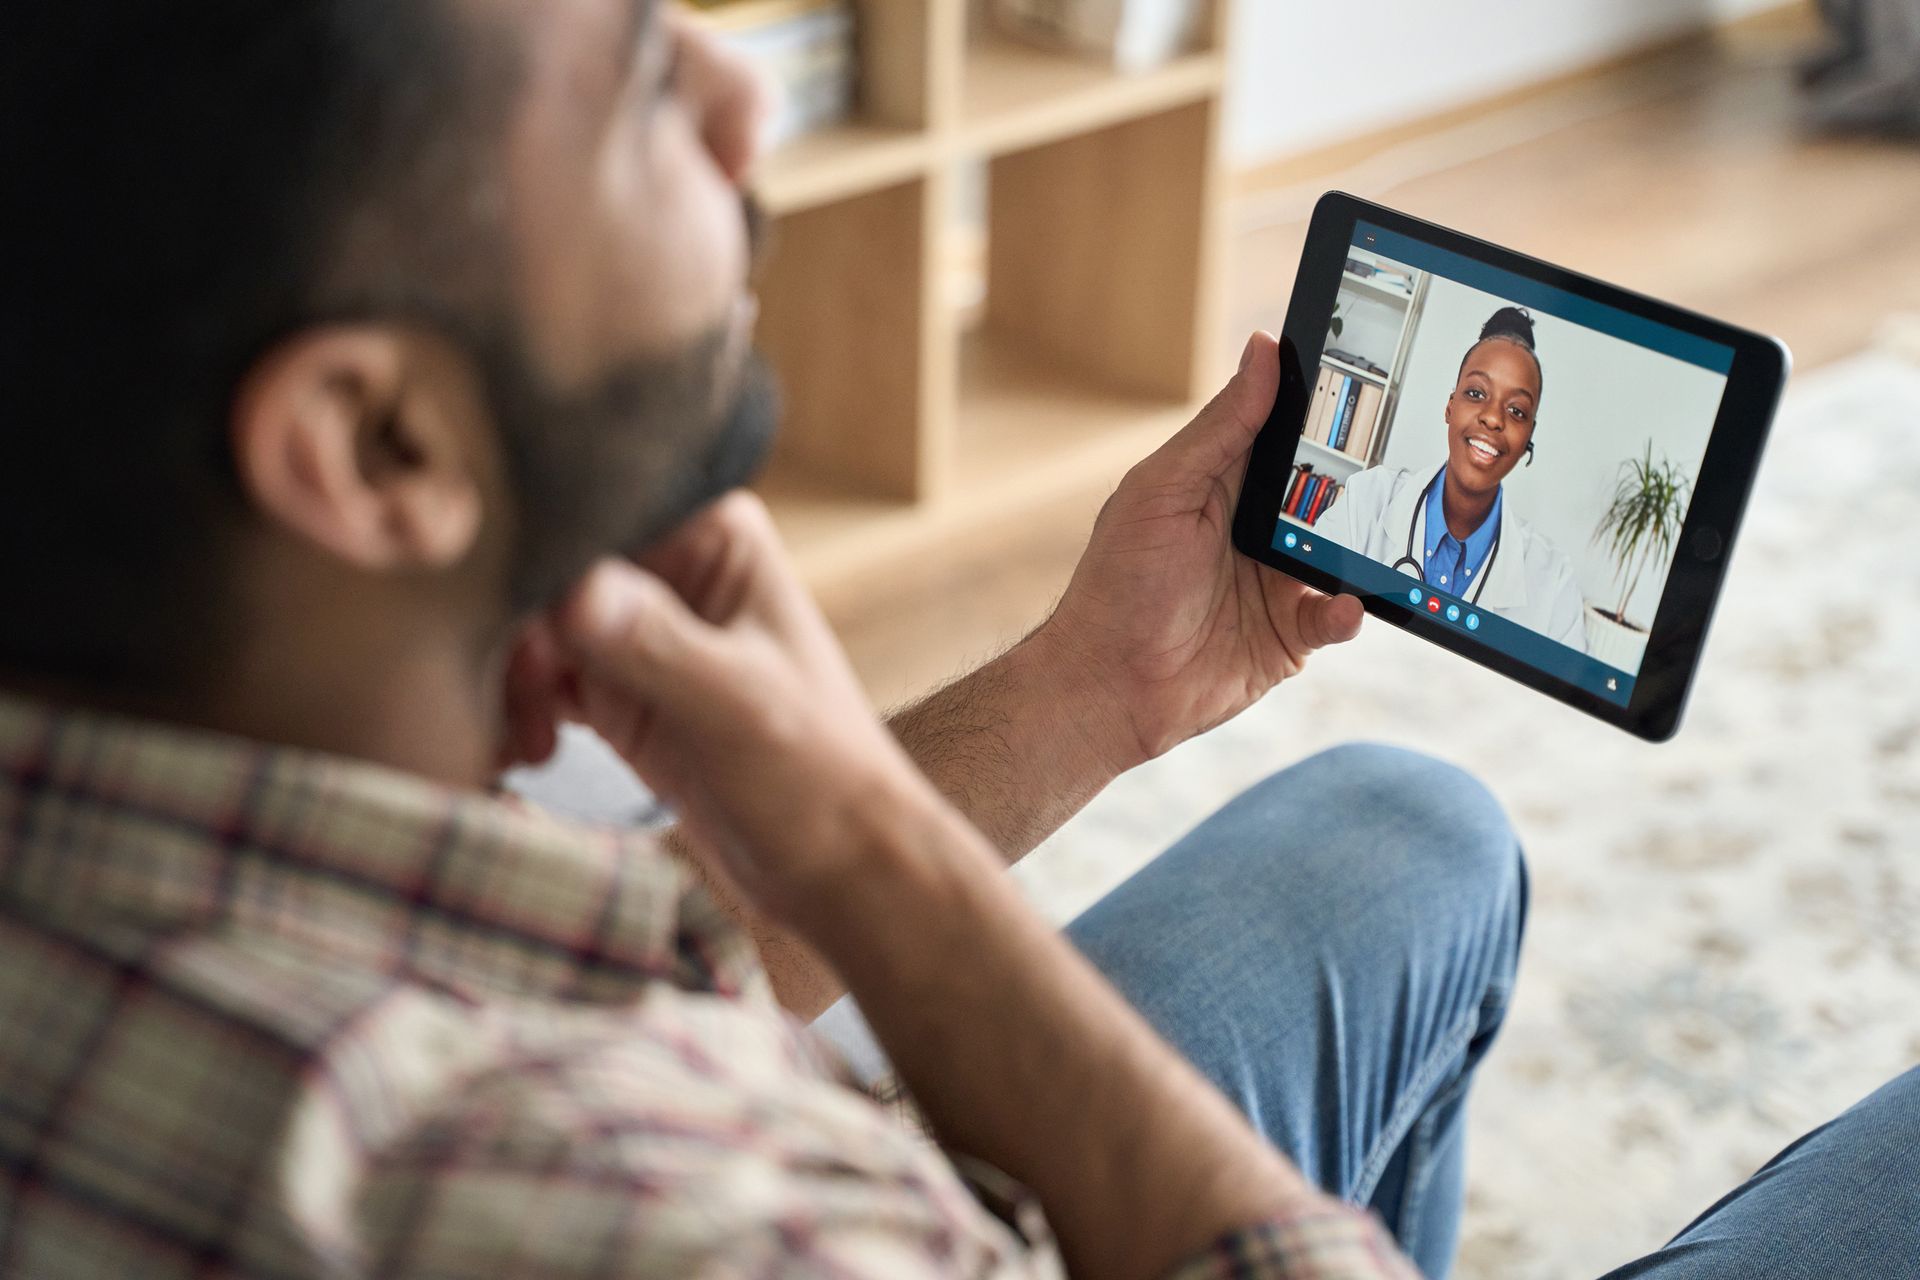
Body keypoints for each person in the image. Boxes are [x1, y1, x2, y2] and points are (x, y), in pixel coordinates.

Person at [1, 6, 1916, 1280]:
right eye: (633, 89)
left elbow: (524, 954)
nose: (749, 93)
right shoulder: (649, 1210)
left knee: (1407, 832)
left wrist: (1099, 686)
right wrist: (879, 859)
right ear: (375, 445)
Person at [1315, 308, 1591, 652]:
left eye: (1516, 410)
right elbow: (1305, 618)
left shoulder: (1554, 583)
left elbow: (1558, 702)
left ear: (1527, 439)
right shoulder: (1367, 500)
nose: (1492, 418)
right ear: (1450, 406)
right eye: (1476, 393)